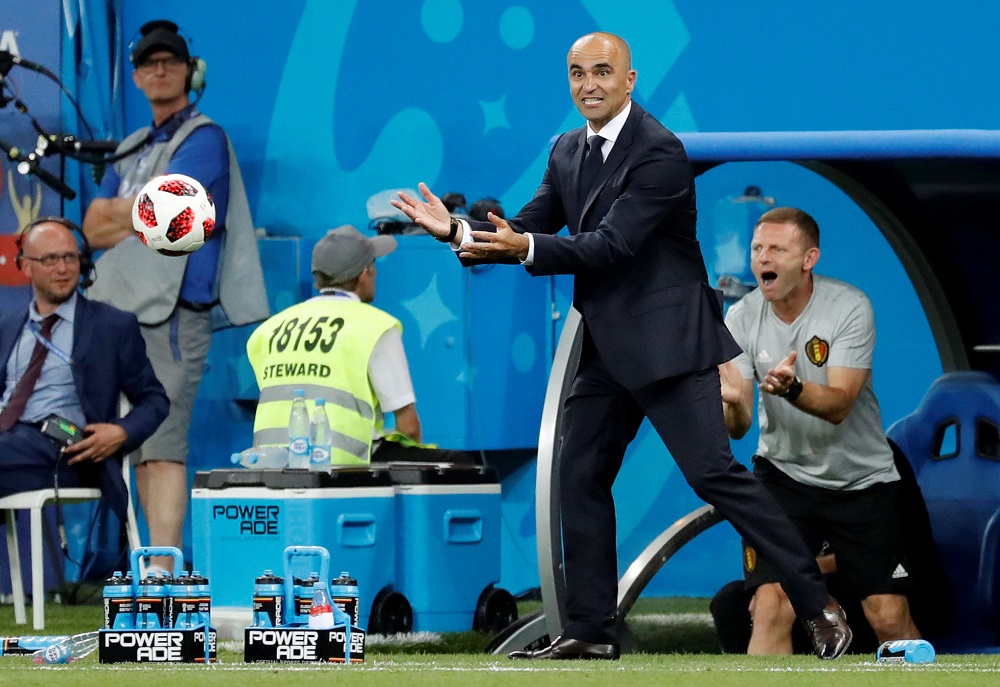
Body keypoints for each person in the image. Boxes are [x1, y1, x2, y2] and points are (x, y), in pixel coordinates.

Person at [391, 32, 850, 660]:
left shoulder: (661, 153)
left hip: (668, 346)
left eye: (602, 72)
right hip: (606, 350)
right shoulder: (566, 150)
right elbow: (524, 228)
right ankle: (588, 632)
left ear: (629, 80)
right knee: (579, 476)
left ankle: (818, 604)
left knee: (714, 476)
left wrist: (522, 249)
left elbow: (610, 245)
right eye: (577, 73)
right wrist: (457, 232)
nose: (589, 84)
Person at [82, 19, 268, 571]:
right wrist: (138, 213)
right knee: (139, 446)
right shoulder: (135, 144)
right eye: (148, 63)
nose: (159, 70)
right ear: (136, 76)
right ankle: (152, 568)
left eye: (170, 61)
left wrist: (133, 213)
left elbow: (169, 212)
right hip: (122, 307)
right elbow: (93, 225)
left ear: (190, 71)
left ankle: (163, 575)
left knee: (161, 443)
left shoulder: (205, 137)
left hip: (172, 312)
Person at [720, 206, 922, 654]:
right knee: (772, 603)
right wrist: (732, 403)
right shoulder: (740, 318)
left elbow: (839, 405)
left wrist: (792, 390)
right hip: (784, 475)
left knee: (886, 615)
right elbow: (739, 429)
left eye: (777, 248)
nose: (762, 258)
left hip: (862, 479)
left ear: (809, 258)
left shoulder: (849, 307)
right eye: (757, 248)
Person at [246, 225, 473, 466]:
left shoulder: (270, 329)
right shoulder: (374, 326)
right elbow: (409, 427)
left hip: (272, 462)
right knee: (462, 466)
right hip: (342, 461)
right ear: (364, 274)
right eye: (373, 266)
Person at [0, 218, 168, 528]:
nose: (62, 268)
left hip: (69, 451)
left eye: (70, 257)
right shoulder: (9, 327)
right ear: (25, 266)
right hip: (10, 443)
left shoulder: (112, 327)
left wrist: (122, 432)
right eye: (50, 259)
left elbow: (154, 399)